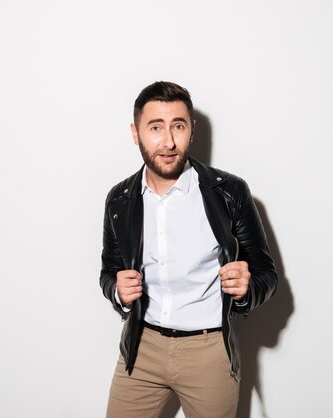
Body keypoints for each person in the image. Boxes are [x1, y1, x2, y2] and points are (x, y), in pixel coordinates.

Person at [99, 81, 278, 418]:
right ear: (135, 132)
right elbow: (109, 273)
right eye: (155, 127)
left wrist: (245, 291)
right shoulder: (120, 199)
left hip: (208, 350)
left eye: (177, 126)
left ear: (191, 131)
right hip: (141, 348)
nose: (168, 142)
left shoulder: (229, 192)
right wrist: (118, 291)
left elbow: (267, 276)